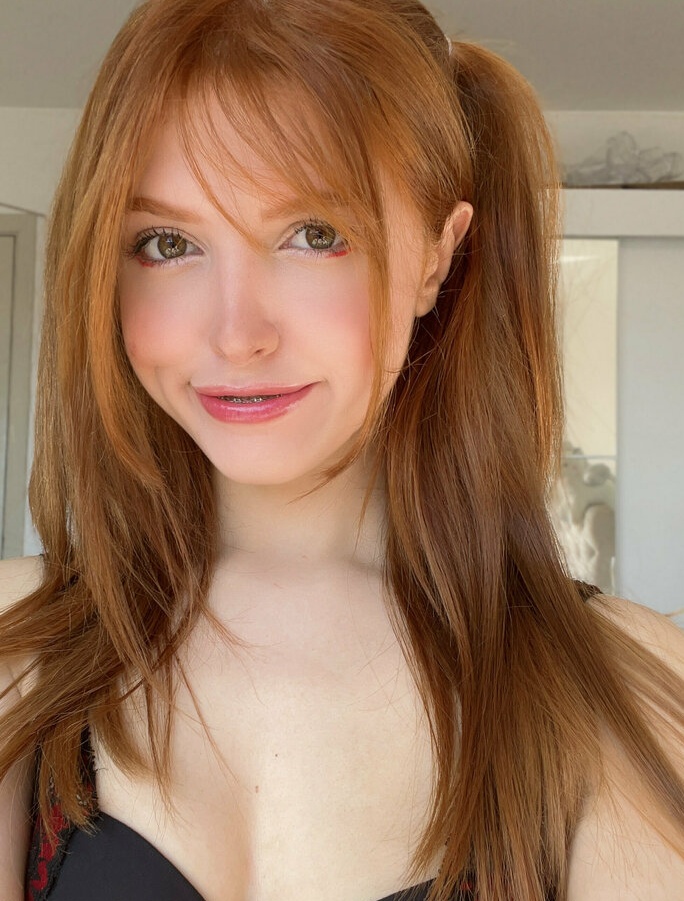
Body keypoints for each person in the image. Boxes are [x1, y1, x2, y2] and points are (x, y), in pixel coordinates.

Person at [1, 1, 683, 899]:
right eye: (167, 244)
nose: (236, 333)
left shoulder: (616, 685)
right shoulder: (16, 646)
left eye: (315, 235)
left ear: (437, 256)